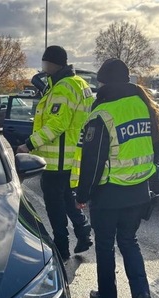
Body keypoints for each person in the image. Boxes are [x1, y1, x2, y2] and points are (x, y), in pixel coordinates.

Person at [71, 58, 159, 298]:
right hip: (138, 190)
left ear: (103, 83)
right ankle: (141, 294)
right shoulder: (143, 105)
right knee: (129, 242)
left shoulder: (102, 112)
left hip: (108, 193)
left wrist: (82, 195)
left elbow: (93, 160)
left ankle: (108, 297)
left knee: (105, 246)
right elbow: (155, 147)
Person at [16, 45, 93, 261]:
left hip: (57, 159)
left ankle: (61, 247)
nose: (43, 67)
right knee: (66, 196)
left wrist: (29, 144)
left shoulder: (62, 88)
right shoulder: (80, 84)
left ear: (52, 63)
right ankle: (83, 230)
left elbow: (57, 124)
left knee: (54, 205)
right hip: (72, 155)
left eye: (45, 62)